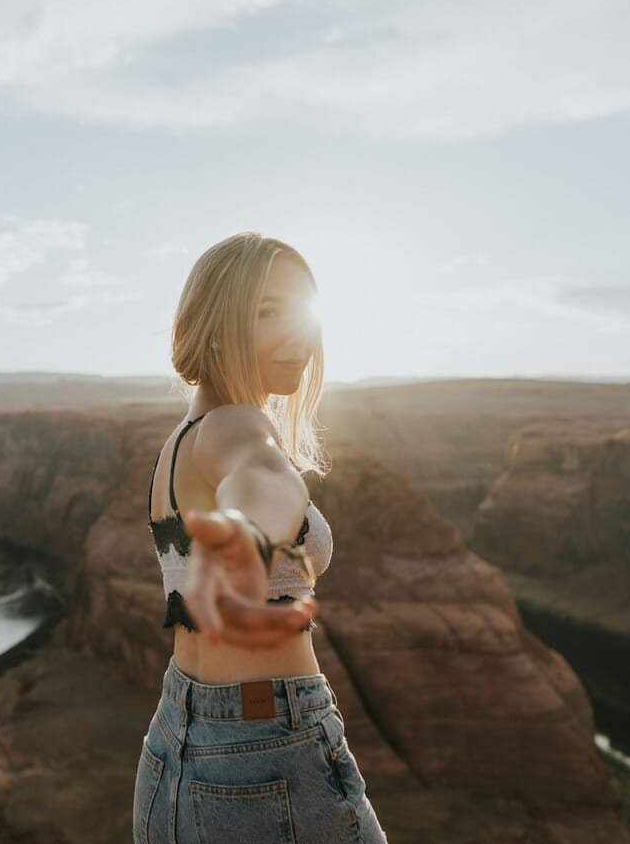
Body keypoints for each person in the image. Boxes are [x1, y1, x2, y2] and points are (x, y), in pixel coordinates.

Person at [134, 232, 387, 843]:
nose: (298, 332)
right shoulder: (239, 427)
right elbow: (261, 478)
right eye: (267, 311)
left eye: (302, 311)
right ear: (217, 324)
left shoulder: (178, 445)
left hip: (173, 748)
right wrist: (248, 534)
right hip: (267, 756)